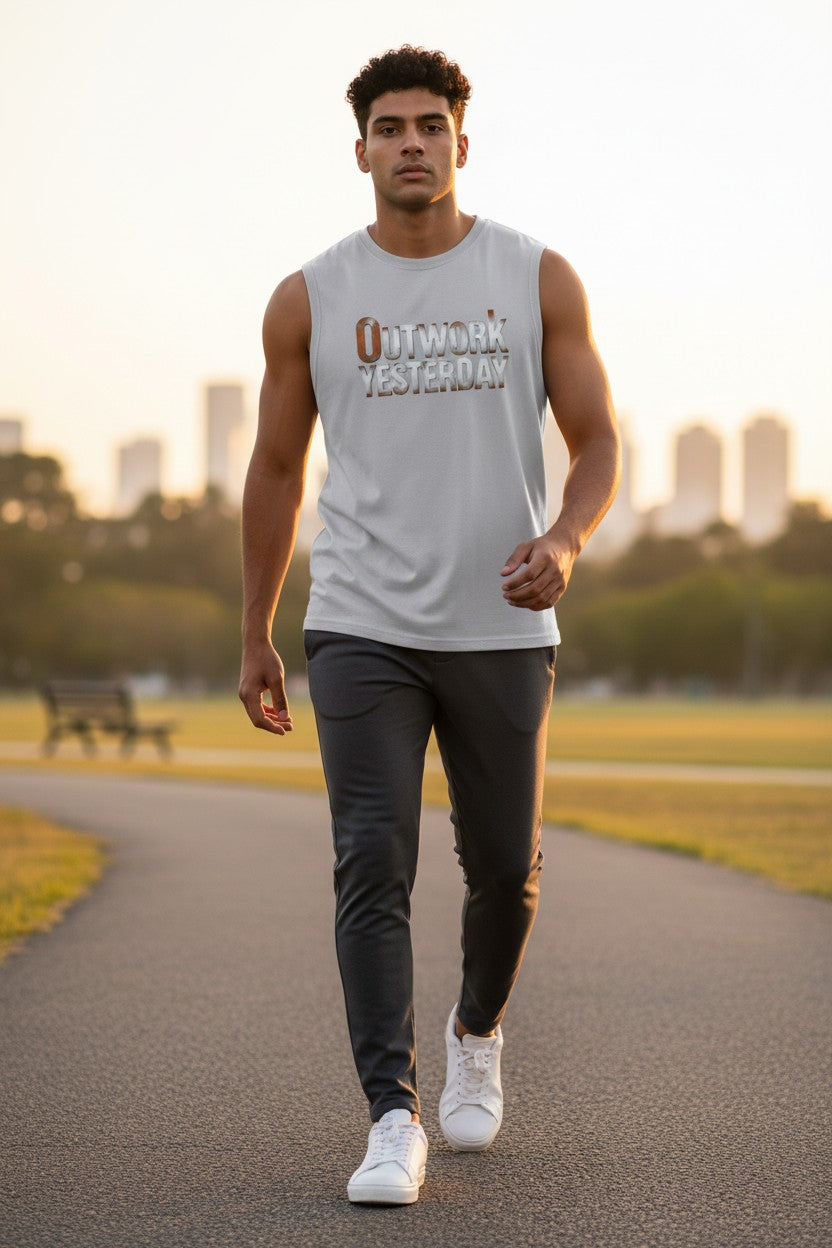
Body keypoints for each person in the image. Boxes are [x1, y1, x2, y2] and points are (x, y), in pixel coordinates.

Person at [239, 44, 620, 1206]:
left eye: (430, 126)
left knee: (504, 868)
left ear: (463, 143)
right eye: (389, 126)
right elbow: (271, 470)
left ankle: (477, 1030)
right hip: (359, 623)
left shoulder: (536, 274)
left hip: (501, 627)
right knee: (372, 860)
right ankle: (390, 1115)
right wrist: (257, 627)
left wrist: (563, 543)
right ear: (359, 150)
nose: (411, 142)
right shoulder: (309, 296)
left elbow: (599, 442)